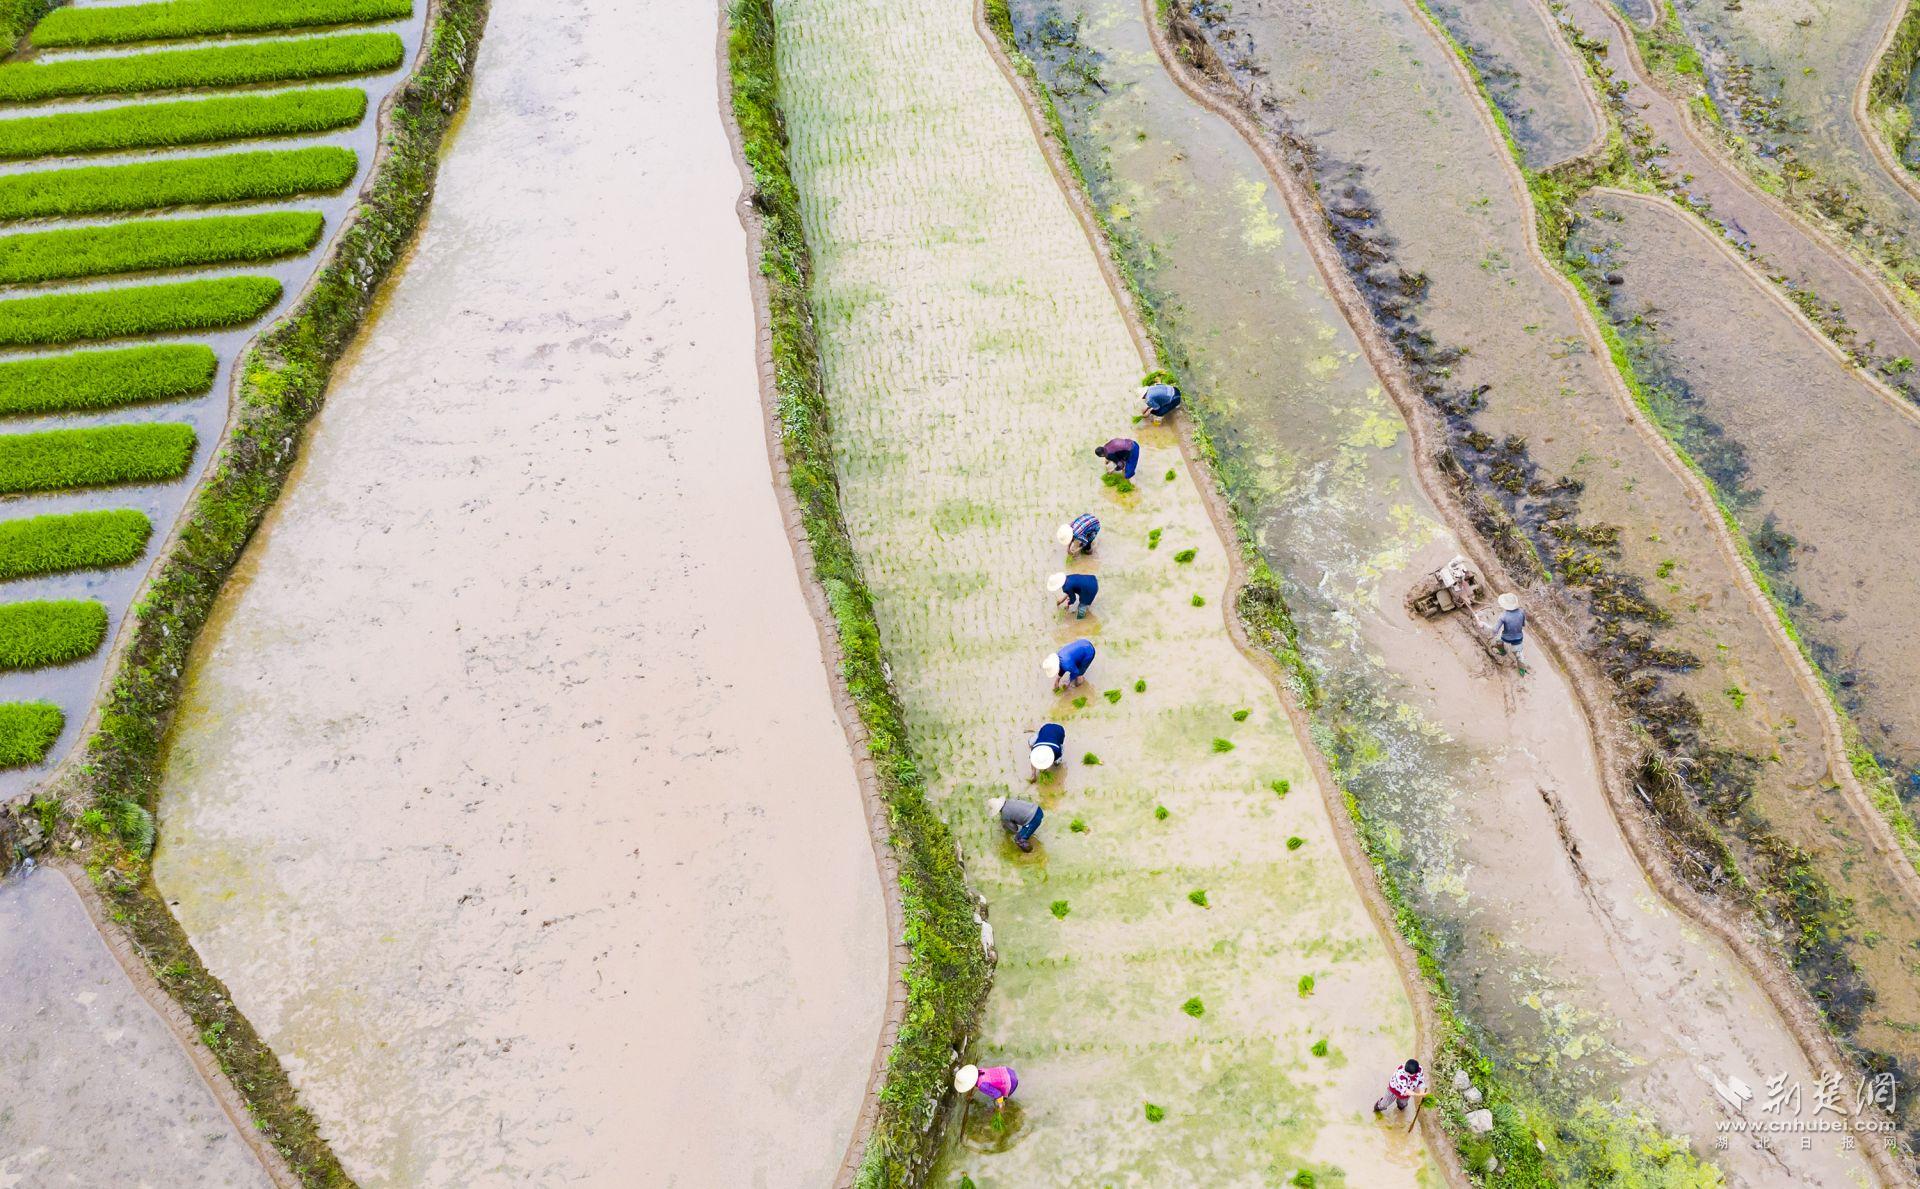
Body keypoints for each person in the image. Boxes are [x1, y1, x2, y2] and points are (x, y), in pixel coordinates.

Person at [955, 1063, 1020, 1111]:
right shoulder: (979, 1071)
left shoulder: (982, 1086)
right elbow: (976, 1085)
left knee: (1000, 1100)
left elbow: (998, 1094)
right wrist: (971, 1095)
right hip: (1007, 1071)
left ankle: (1005, 1105)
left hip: (1011, 1082)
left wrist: (1001, 1108)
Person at [1492, 591, 1528, 676]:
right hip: (1519, 637)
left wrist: (1493, 633)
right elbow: (1523, 624)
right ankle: (1522, 671)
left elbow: (1495, 630)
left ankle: (1502, 651)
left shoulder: (1503, 616)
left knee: (1498, 641)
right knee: (1519, 655)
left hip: (1506, 637)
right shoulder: (1522, 612)